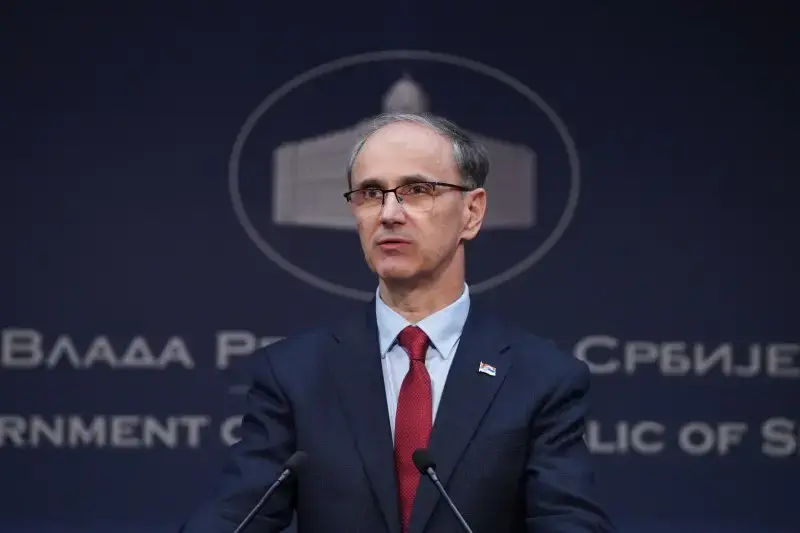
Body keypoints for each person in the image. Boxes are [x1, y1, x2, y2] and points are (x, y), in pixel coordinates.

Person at [180, 112, 615, 533]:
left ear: (472, 212)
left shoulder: (541, 379)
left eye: (417, 189)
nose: (389, 213)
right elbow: (235, 515)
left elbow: (569, 521)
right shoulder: (294, 374)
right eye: (371, 193)